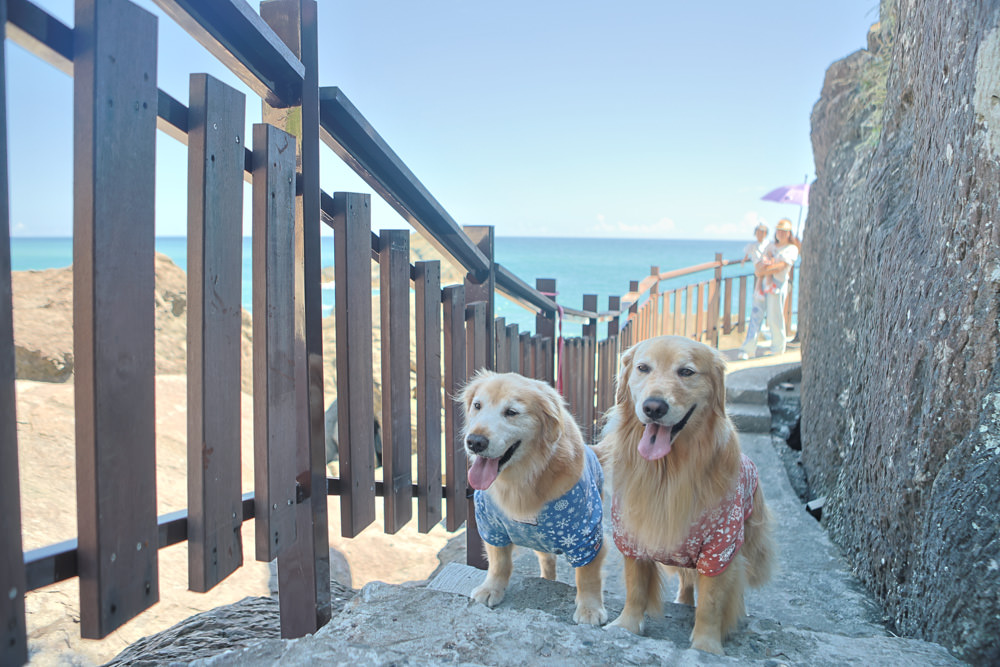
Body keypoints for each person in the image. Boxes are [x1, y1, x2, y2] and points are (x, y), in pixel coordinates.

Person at [738, 218, 799, 359]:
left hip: (777, 285)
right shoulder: (771, 246)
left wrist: (762, 271)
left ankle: (778, 347)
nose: (781, 234)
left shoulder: (792, 249)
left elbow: (782, 266)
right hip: (763, 284)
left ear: (789, 233)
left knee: (774, 317)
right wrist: (762, 270)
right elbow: (761, 262)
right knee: (755, 316)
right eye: (779, 230)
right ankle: (749, 348)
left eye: (784, 231)